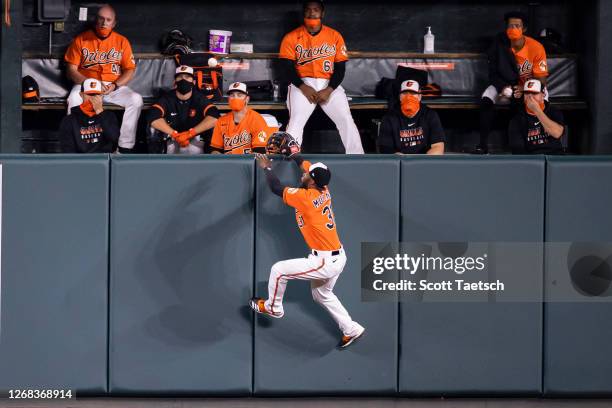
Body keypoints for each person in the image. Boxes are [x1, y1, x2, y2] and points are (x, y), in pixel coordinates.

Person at [250, 148, 365, 349]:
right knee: (321, 295)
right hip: (337, 256)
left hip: (324, 261)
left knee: (278, 271)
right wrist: (294, 154)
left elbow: (276, 188)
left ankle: (273, 307)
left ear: (312, 181)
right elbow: (307, 167)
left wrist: (267, 167)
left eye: (307, 175)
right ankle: (351, 329)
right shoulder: (324, 188)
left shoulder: (306, 197)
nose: (303, 173)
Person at [279, 0, 364, 154]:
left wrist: (329, 89)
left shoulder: (334, 36)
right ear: (303, 13)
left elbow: (340, 69)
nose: (312, 13)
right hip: (302, 83)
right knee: (296, 122)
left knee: (346, 120)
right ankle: (291, 159)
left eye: (316, 9)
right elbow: (287, 68)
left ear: (322, 13)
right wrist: (303, 87)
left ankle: (358, 159)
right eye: (308, 9)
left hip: (329, 83)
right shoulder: (291, 37)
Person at [64, 4, 143, 153]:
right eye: (101, 19)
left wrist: (115, 85)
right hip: (86, 84)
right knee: (74, 99)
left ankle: (124, 147)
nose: (104, 23)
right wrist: (87, 83)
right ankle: (75, 146)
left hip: (111, 87)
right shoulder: (81, 40)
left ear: (114, 23)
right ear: (96, 20)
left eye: (108, 20)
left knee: (136, 100)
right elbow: (71, 70)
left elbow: (129, 70)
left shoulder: (122, 41)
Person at [477, 11, 548, 154]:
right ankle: (483, 144)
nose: (512, 29)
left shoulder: (536, 47)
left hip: (529, 85)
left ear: (524, 29)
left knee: (543, 101)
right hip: (504, 83)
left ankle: (538, 145)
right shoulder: (499, 42)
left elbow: (541, 80)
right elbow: (493, 72)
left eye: (517, 26)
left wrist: (524, 89)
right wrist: (503, 86)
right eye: (510, 26)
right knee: (486, 99)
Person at [148, 65, 220, 154]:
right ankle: (156, 162)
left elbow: (214, 117)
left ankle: (212, 160)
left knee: (214, 128)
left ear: (193, 82)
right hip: (172, 137)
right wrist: (174, 134)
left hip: (195, 137)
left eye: (187, 77)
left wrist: (190, 133)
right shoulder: (167, 98)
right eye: (180, 77)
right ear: (175, 82)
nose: (183, 80)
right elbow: (153, 117)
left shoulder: (199, 98)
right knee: (152, 128)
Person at [378, 80, 445, 154]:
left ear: (419, 96)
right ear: (400, 97)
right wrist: (400, 160)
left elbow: (438, 147)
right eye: (405, 93)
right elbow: (385, 149)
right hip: (401, 161)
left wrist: (419, 163)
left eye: (413, 93)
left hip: (423, 161)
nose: (408, 97)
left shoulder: (430, 115)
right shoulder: (389, 118)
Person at [58, 78, 119, 153]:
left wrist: (100, 112)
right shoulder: (69, 120)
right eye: (89, 94)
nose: (93, 98)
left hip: (103, 161)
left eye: (97, 94)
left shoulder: (109, 116)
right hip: (81, 162)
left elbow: (114, 139)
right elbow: (68, 151)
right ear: (81, 95)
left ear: (102, 96)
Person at [210, 82, 271, 154]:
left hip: (249, 163)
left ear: (247, 99)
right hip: (227, 163)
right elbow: (215, 150)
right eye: (232, 95)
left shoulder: (257, 119)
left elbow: (260, 152)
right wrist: (221, 156)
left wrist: (240, 159)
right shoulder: (221, 121)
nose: (235, 98)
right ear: (228, 99)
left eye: (239, 95)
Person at [508, 79, 564, 154]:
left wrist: (537, 110)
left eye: (534, 93)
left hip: (555, 156)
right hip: (532, 160)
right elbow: (519, 152)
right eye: (527, 93)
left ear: (543, 95)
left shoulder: (553, 112)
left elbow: (557, 133)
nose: (530, 97)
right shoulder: (516, 120)